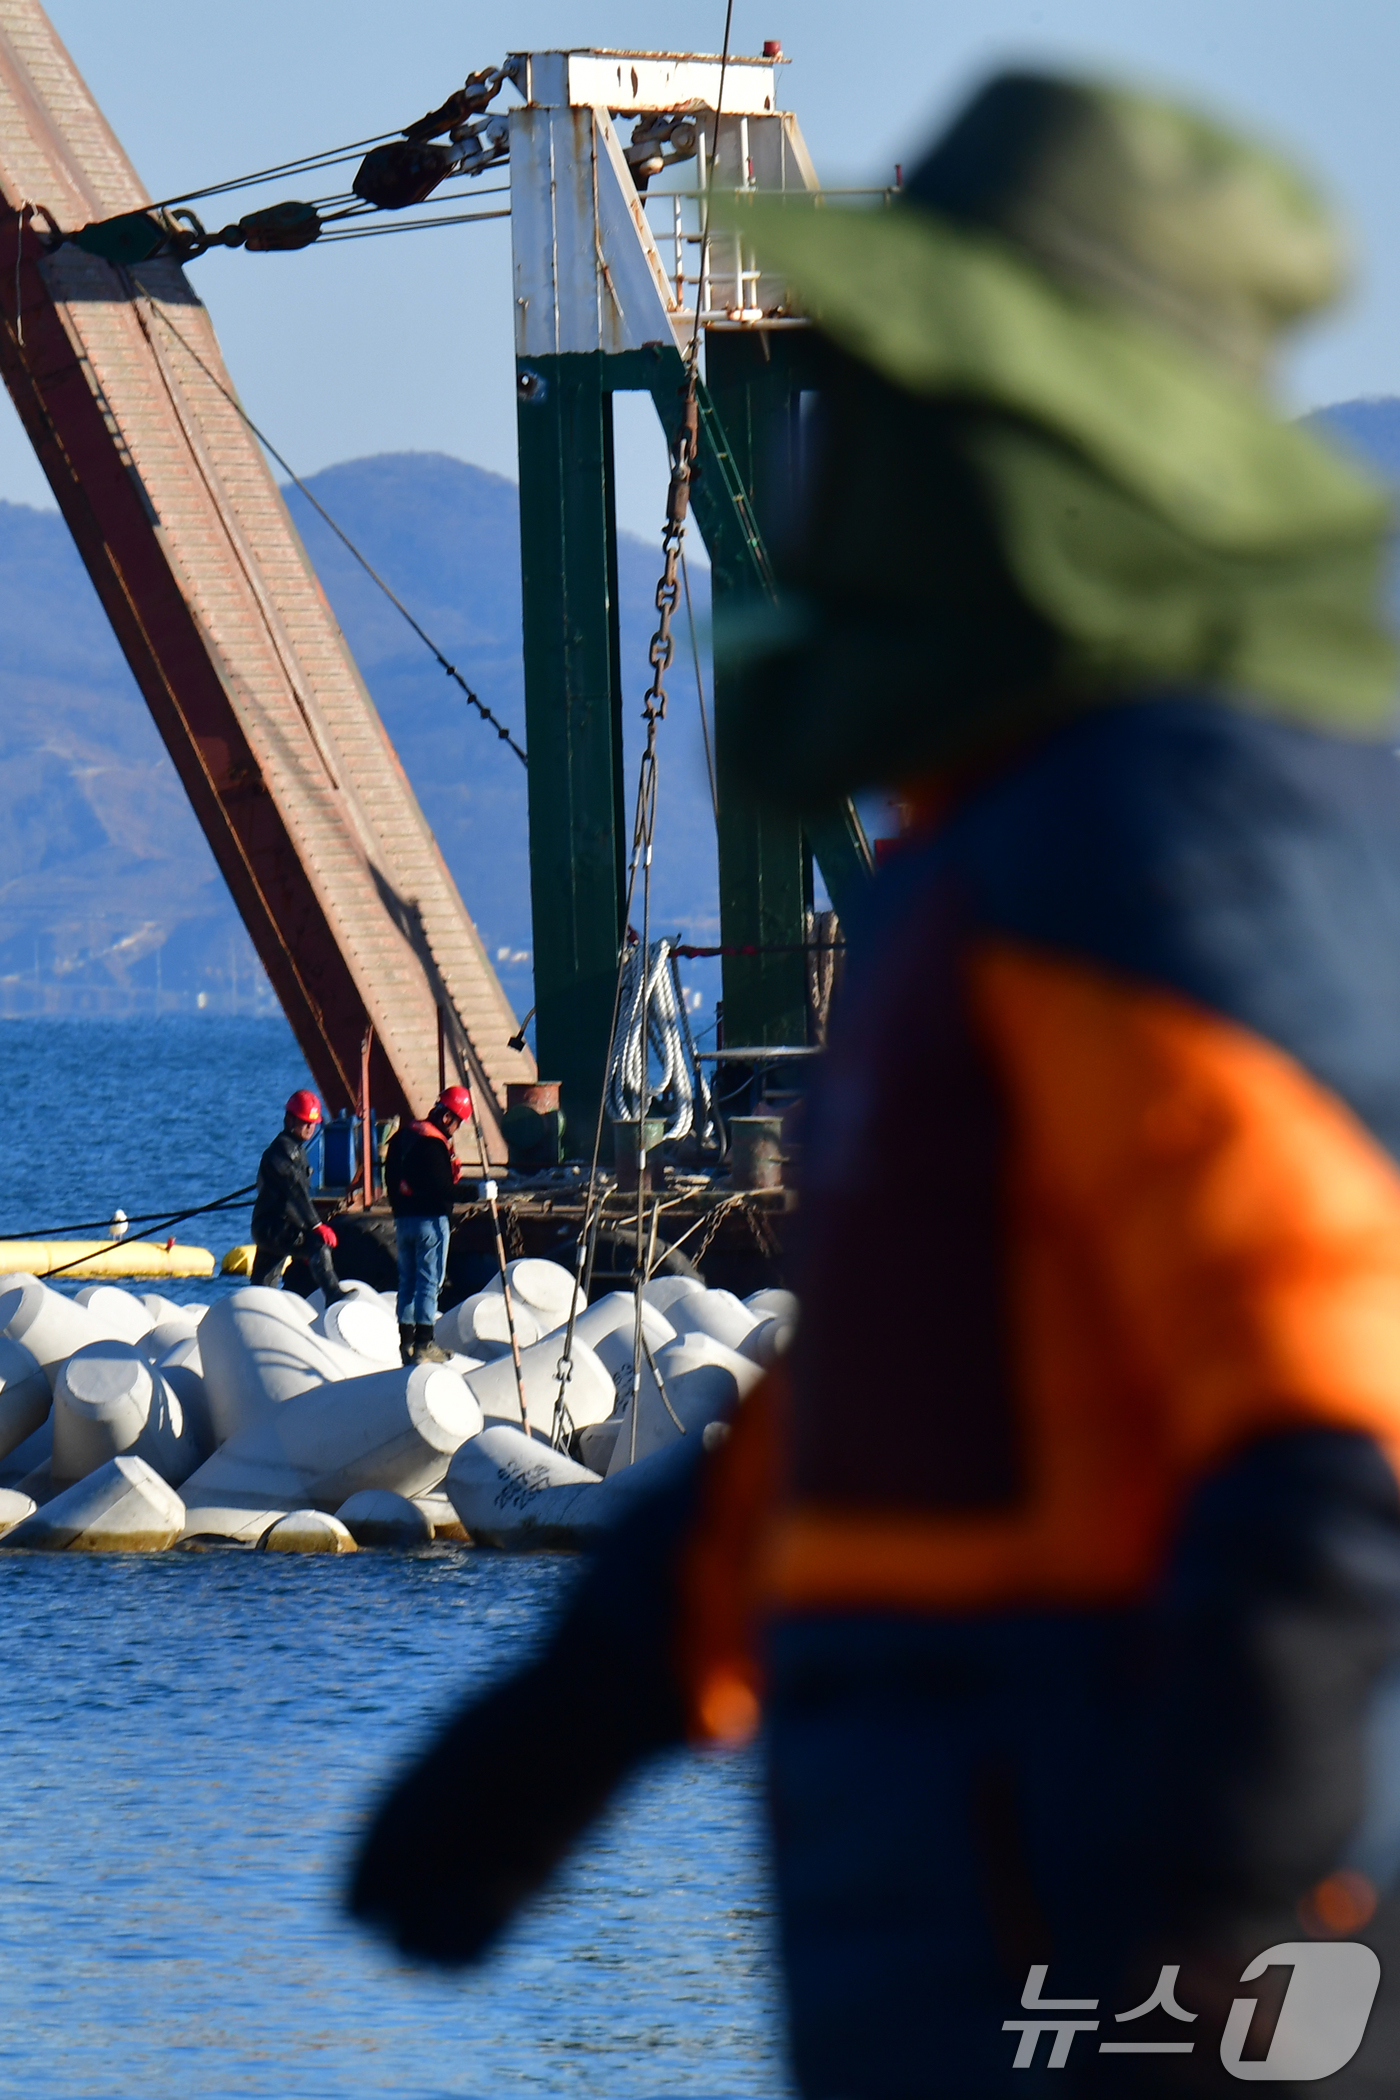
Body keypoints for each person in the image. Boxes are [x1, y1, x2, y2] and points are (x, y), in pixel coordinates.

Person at [349, 74, 1400, 2094]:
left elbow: (1325, 1399)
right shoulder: (1027, 843)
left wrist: (1231, 1899)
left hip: (1111, 1912)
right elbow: (921, 1383)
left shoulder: (1142, 852)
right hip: (981, 1899)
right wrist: (599, 1695)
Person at [385, 1085, 473, 1364]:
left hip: (403, 1222)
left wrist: (399, 1209)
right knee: (428, 1282)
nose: (455, 1129)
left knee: (407, 1281)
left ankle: (407, 1342)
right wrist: (477, 1193)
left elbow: (389, 1179)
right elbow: (442, 1189)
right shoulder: (433, 1146)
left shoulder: (402, 1137)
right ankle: (425, 1343)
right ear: (448, 1118)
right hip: (430, 1223)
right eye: (457, 1123)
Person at [251, 1089, 346, 1302]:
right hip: (273, 1228)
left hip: (272, 1226)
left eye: (313, 1123)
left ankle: (256, 1308)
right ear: (289, 1119)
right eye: (305, 1122)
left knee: (262, 1286)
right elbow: (296, 1191)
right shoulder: (281, 1152)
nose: (310, 1128)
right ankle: (334, 1296)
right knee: (318, 1245)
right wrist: (315, 1226)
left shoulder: (293, 1148)